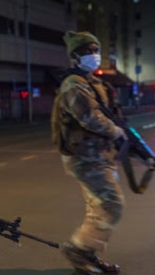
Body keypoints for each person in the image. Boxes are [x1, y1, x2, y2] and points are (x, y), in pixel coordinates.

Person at [51, 31, 127, 275]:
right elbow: (89, 117)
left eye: (96, 51)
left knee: (98, 207)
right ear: (75, 57)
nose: (93, 56)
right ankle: (79, 249)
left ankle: (87, 256)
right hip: (84, 157)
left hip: (98, 155)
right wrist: (115, 131)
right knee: (111, 204)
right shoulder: (73, 85)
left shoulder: (93, 82)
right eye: (87, 52)